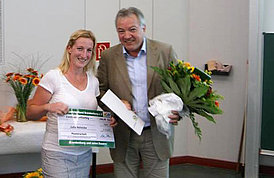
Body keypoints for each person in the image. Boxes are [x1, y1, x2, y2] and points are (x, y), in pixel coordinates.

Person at [97, 7, 180, 178]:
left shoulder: (165, 52)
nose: (126, 35)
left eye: (132, 29)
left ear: (144, 28)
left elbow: (181, 88)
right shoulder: (108, 56)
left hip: (156, 133)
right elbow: (100, 90)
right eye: (121, 31)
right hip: (123, 134)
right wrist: (114, 107)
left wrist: (179, 112)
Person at [26, 29, 110, 178]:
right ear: (69, 48)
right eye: (80, 49)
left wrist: (105, 120)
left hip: (84, 154)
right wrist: (48, 107)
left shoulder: (93, 81)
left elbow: (92, 113)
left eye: (89, 50)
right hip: (57, 154)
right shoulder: (54, 77)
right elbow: (30, 112)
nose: (84, 55)